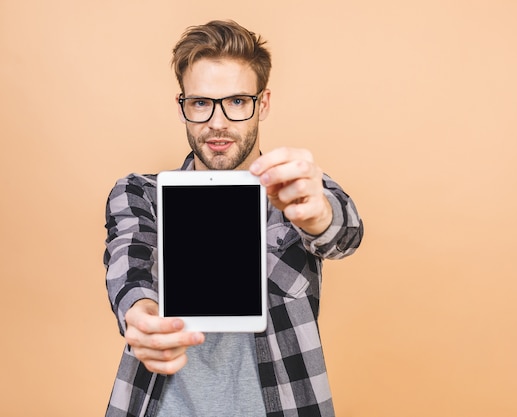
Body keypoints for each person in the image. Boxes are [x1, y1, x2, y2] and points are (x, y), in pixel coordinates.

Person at [103, 19, 364, 417]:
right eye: (201, 103)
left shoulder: (296, 187)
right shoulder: (141, 193)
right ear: (183, 106)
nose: (218, 122)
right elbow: (129, 263)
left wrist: (318, 215)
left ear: (263, 103)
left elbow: (344, 232)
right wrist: (139, 315)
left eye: (237, 101)